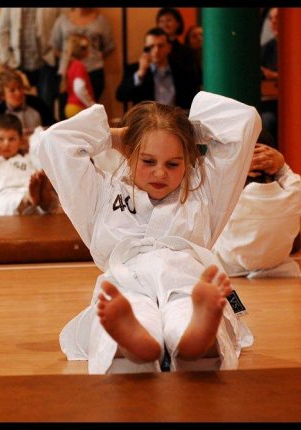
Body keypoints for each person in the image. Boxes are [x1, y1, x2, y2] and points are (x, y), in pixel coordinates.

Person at [36, 91, 261, 374]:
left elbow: (244, 120)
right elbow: (53, 143)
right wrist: (116, 137)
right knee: (131, 311)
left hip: (188, 280)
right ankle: (137, 343)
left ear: (187, 159)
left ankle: (195, 338)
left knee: (187, 309)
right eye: (148, 161)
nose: (160, 173)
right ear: (129, 153)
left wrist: (186, 132)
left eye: (173, 163)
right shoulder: (101, 194)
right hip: (128, 282)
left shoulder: (204, 191)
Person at [213, 132, 301, 279]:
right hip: (277, 261)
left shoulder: (226, 194)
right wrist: (282, 163)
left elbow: (206, 179)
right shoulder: (295, 188)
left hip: (231, 264)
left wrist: (236, 168)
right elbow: (286, 173)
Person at [0, 113, 59, 216]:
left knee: (41, 177)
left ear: (21, 140)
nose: (6, 144)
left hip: (31, 191)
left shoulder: (28, 160)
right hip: (5, 199)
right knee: (7, 202)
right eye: (1, 139)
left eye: (12, 139)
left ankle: (44, 197)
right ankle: (31, 198)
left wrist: (28, 140)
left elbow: (41, 153)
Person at [116, 27, 200, 111]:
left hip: (176, 120)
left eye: (160, 46)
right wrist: (140, 74)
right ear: (146, 48)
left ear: (169, 47)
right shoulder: (135, 69)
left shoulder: (181, 70)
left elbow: (192, 99)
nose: (156, 50)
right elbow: (121, 96)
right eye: (151, 46)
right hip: (147, 120)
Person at [0, 8, 62, 112]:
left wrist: (56, 52)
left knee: (46, 106)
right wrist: (6, 58)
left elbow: (61, 25)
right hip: (17, 64)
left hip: (46, 63)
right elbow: (1, 31)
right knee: (18, 107)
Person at [51, 7, 115, 116]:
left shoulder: (101, 20)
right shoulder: (62, 20)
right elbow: (55, 47)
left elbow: (108, 47)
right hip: (68, 73)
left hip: (94, 71)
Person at [0, 69, 55, 133]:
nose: (18, 93)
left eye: (20, 88)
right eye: (12, 90)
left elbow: (52, 127)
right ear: (2, 95)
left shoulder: (38, 104)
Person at [155, 7, 199, 88]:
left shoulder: (186, 51)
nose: (165, 25)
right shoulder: (153, 49)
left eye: (169, 20)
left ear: (178, 24)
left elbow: (192, 79)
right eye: (161, 21)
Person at [62, 34, 96, 118]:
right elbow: (79, 87)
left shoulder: (71, 65)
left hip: (71, 106)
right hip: (78, 107)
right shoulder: (79, 65)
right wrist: (91, 104)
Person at [259, 7, 279, 144]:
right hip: (268, 102)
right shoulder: (268, 47)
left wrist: (275, 75)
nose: (273, 22)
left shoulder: (300, 44)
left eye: (277, 18)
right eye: (271, 18)